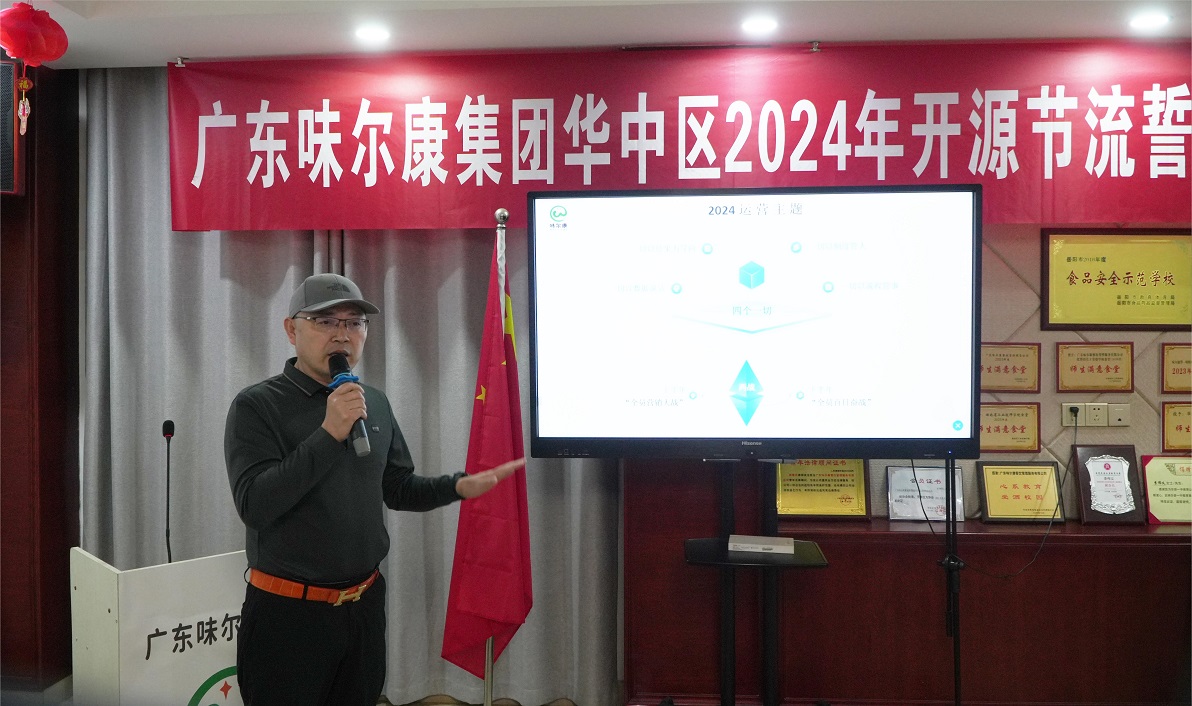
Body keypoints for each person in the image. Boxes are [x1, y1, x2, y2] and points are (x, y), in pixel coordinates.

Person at [224, 272, 523, 705]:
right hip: (288, 616)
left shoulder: (373, 402)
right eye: (326, 321)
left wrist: (458, 486)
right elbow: (255, 503)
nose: (342, 334)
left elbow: (397, 488)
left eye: (354, 323)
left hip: (363, 607)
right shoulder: (257, 405)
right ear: (291, 329)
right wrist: (329, 433)